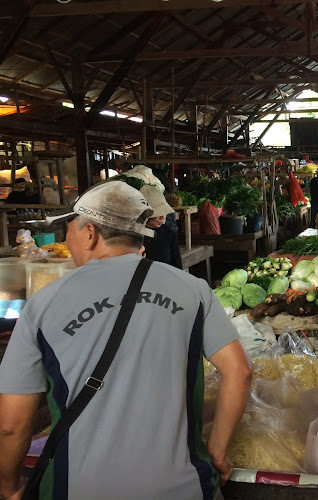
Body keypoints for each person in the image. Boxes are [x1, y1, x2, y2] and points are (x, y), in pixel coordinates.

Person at [0, 181, 252, 500]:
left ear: (90, 234)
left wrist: (8, 488)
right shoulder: (193, 289)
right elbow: (240, 373)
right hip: (184, 489)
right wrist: (217, 452)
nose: (67, 240)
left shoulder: (43, 303)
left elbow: (11, 424)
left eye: (69, 230)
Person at [140, 184, 183, 268]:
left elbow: (176, 263)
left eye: (164, 212)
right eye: (158, 213)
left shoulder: (168, 233)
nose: (163, 217)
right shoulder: (133, 235)